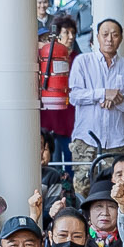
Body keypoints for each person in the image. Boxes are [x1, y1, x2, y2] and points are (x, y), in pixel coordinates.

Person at [70, 20, 124, 191]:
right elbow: (74, 96)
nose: (109, 39)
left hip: (116, 142)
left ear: (121, 38)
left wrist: (119, 99)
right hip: (86, 141)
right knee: (83, 189)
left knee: (117, 191)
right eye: (105, 34)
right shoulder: (83, 62)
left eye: (114, 34)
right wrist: (102, 93)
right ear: (97, 37)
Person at [37, 14, 79, 152]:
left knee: (68, 153)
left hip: (68, 113)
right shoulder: (44, 55)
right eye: (66, 33)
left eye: (73, 33)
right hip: (48, 112)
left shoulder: (77, 59)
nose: (71, 37)